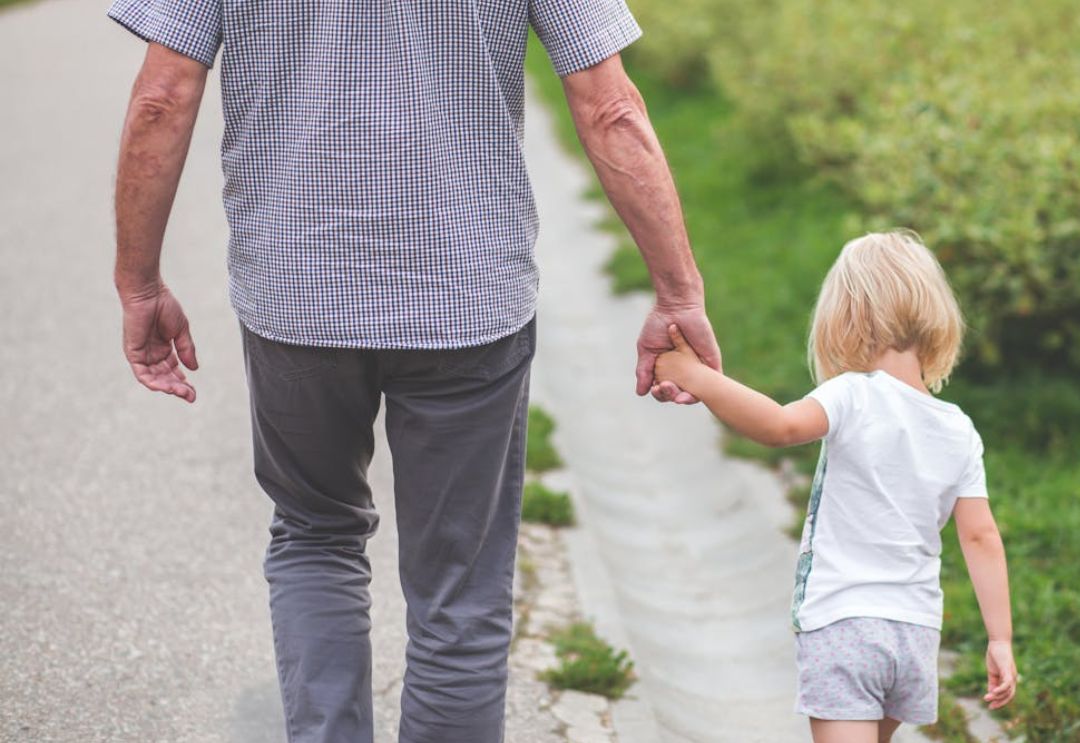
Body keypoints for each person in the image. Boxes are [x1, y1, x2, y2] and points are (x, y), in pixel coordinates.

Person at [106, 0, 719, 740]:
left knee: (313, 535)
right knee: (459, 591)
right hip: (466, 299)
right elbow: (610, 105)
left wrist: (139, 283)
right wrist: (677, 290)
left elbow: (161, 97)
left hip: (298, 296)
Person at [653, 231, 1017, 743]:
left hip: (845, 625)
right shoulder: (958, 427)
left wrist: (697, 376)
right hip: (915, 635)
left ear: (848, 318)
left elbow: (777, 426)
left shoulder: (853, 394)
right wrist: (999, 638)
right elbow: (981, 538)